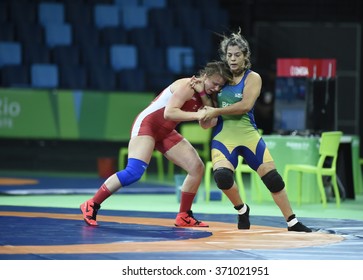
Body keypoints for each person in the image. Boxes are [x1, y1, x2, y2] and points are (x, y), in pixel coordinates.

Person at [80, 61, 232, 227]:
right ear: (205, 76)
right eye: (214, 83)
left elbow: (206, 125)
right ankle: (92, 204)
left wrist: (204, 98)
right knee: (133, 172)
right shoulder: (186, 85)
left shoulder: (207, 96)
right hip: (148, 126)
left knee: (196, 168)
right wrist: (198, 115)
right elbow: (169, 113)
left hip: (165, 132)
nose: (217, 88)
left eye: (220, 86)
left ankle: (184, 215)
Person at [193, 30, 312, 232]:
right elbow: (210, 110)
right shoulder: (220, 78)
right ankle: (242, 209)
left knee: (273, 179)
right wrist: (203, 94)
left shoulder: (253, 78)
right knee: (222, 177)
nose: (232, 59)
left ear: (245, 56)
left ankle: (292, 221)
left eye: (237, 55)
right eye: (229, 55)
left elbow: (245, 106)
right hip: (224, 137)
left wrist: (216, 110)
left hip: (248, 136)